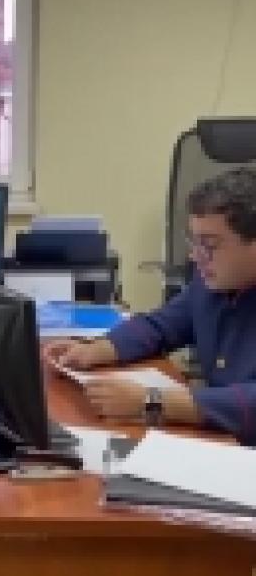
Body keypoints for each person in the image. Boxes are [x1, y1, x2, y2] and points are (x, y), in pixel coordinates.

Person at [47, 168, 256, 445]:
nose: (195, 257)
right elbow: (161, 325)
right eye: (194, 242)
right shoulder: (212, 284)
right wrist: (96, 349)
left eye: (210, 245)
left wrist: (153, 401)